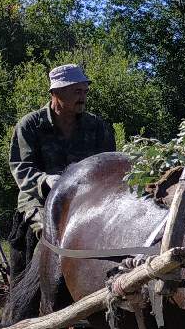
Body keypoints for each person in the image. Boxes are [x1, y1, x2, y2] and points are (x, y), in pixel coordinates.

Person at [7, 64, 116, 274]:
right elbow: (21, 168)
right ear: (56, 92)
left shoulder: (97, 127)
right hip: (39, 200)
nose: (82, 97)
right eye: (76, 91)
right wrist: (45, 180)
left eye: (85, 91)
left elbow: (109, 167)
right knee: (48, 233)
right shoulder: (30, 125)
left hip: (85, 200)